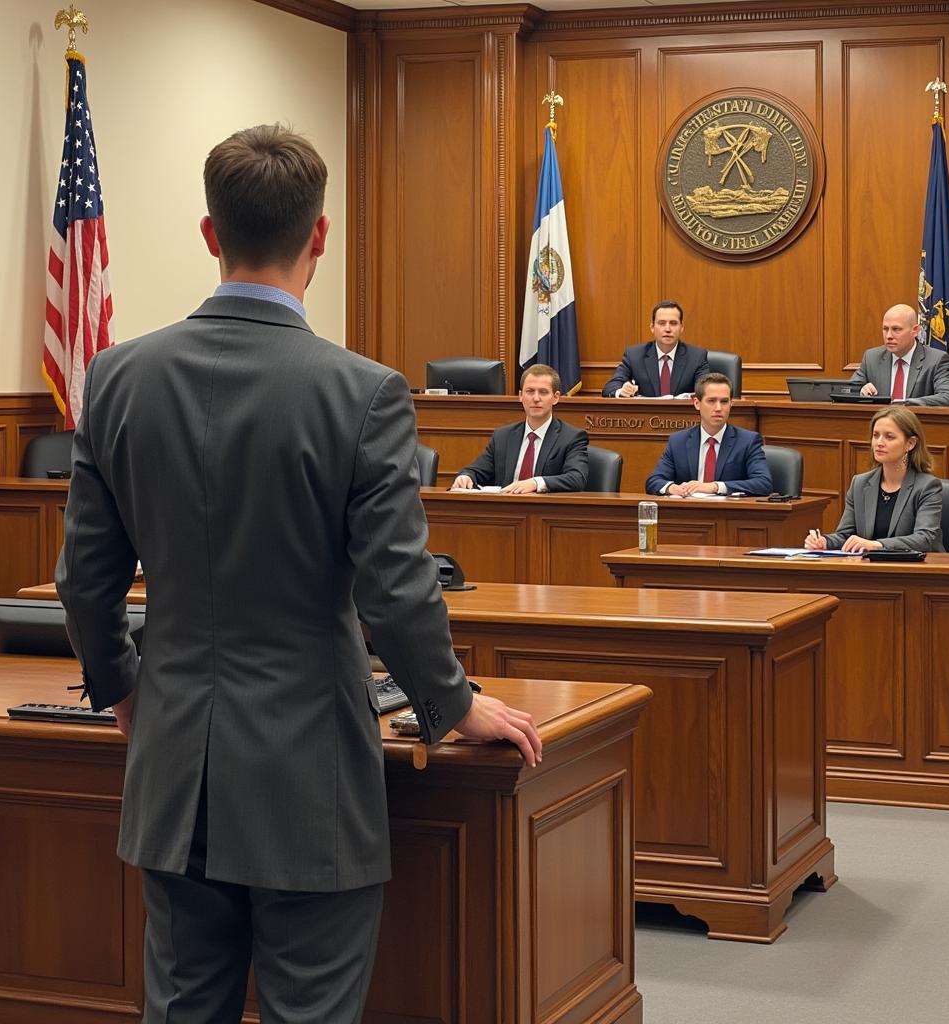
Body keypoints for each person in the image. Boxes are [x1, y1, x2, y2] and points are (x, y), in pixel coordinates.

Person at [55, 124, 542, 1024]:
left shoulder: (117, 378)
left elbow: (85, 581)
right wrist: (452, 703)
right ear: (321, 236)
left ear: (210, 234)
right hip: (306, 773)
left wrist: (124, 689)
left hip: (173, 775)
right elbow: (394, 590)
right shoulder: (361, 392)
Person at [804, 406, 944, 552]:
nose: (879, 443)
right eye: (876, 435)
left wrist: (877, 545)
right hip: (871, 570)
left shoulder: (927, 486)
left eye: (889, 437)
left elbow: (925, 539)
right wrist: (823, 541)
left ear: (910, 443)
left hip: (915, 570)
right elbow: (845, 536)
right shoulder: (859, 484)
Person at [450, 363, 588, 493]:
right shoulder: (503, 436)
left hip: (544, 513)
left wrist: (535, 483)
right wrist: (466, 476)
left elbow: (577, 478)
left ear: (556, 397)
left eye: (543, 392)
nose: (536, 398)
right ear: (521, 396)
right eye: (530, 391)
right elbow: (476, 471)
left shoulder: (571, 437)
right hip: (506, 513)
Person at [645, 373, 772, 496]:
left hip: (727, 514)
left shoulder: (747, 441)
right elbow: (654, 481)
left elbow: (763, 483)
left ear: (731, 404)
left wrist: (714, 487)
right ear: (697, 403)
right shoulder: (678, 441)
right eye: (711, 401)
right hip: (688, 513)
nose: (718, 408)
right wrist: (672, 488)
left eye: (724, 401)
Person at [850, 304, 949, 406]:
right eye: (885, 329)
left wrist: (906, 403)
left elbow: (947, 397)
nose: (889, 336)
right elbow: (847, 389)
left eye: (896, 329)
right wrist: (860, 390)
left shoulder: (936, 360)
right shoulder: (871, 358)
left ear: (915, 331)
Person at [602, 300, 709, 398]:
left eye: (673, 323)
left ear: (681, 328)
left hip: (682, 418)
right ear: (652, 327)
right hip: (646, 417)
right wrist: (621, 391)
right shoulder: (634, 355)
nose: (667, 329)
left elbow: (706, 392)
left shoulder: (697, 357)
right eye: (662, 323)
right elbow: (610, 387)